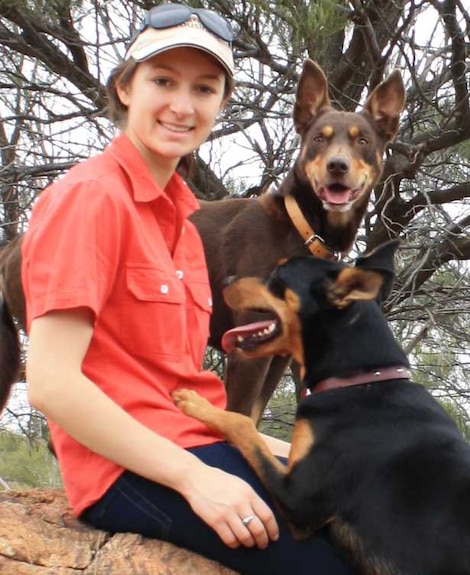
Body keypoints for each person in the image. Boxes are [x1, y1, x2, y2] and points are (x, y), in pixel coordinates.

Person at [21, 4, 354, 574]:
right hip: (129, 470)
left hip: (196, 438)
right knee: (339, 562)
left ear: (221, 105)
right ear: (125, 87)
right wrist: (197, 479)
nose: (182, 105)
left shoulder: (182, 221)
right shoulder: (90, 198)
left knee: (391, 503)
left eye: (204, 88)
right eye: (162, 81)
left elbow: (180, 389)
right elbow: (51, 385)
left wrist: (289, 451)